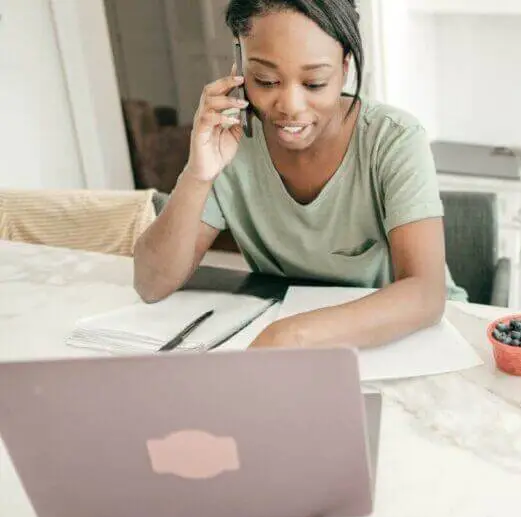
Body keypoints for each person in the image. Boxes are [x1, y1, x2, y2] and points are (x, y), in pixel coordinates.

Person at [133, 0, 468, 350]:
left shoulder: (393, 139)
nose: (290, 105)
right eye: (265, 80)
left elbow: (426, 295)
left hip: (408, 338)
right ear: (240, 62)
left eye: (314, 83)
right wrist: (197, 174)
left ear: (345, 66)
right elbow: (151, 285)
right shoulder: (230, 141)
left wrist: (290, 336)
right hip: (295, 337)